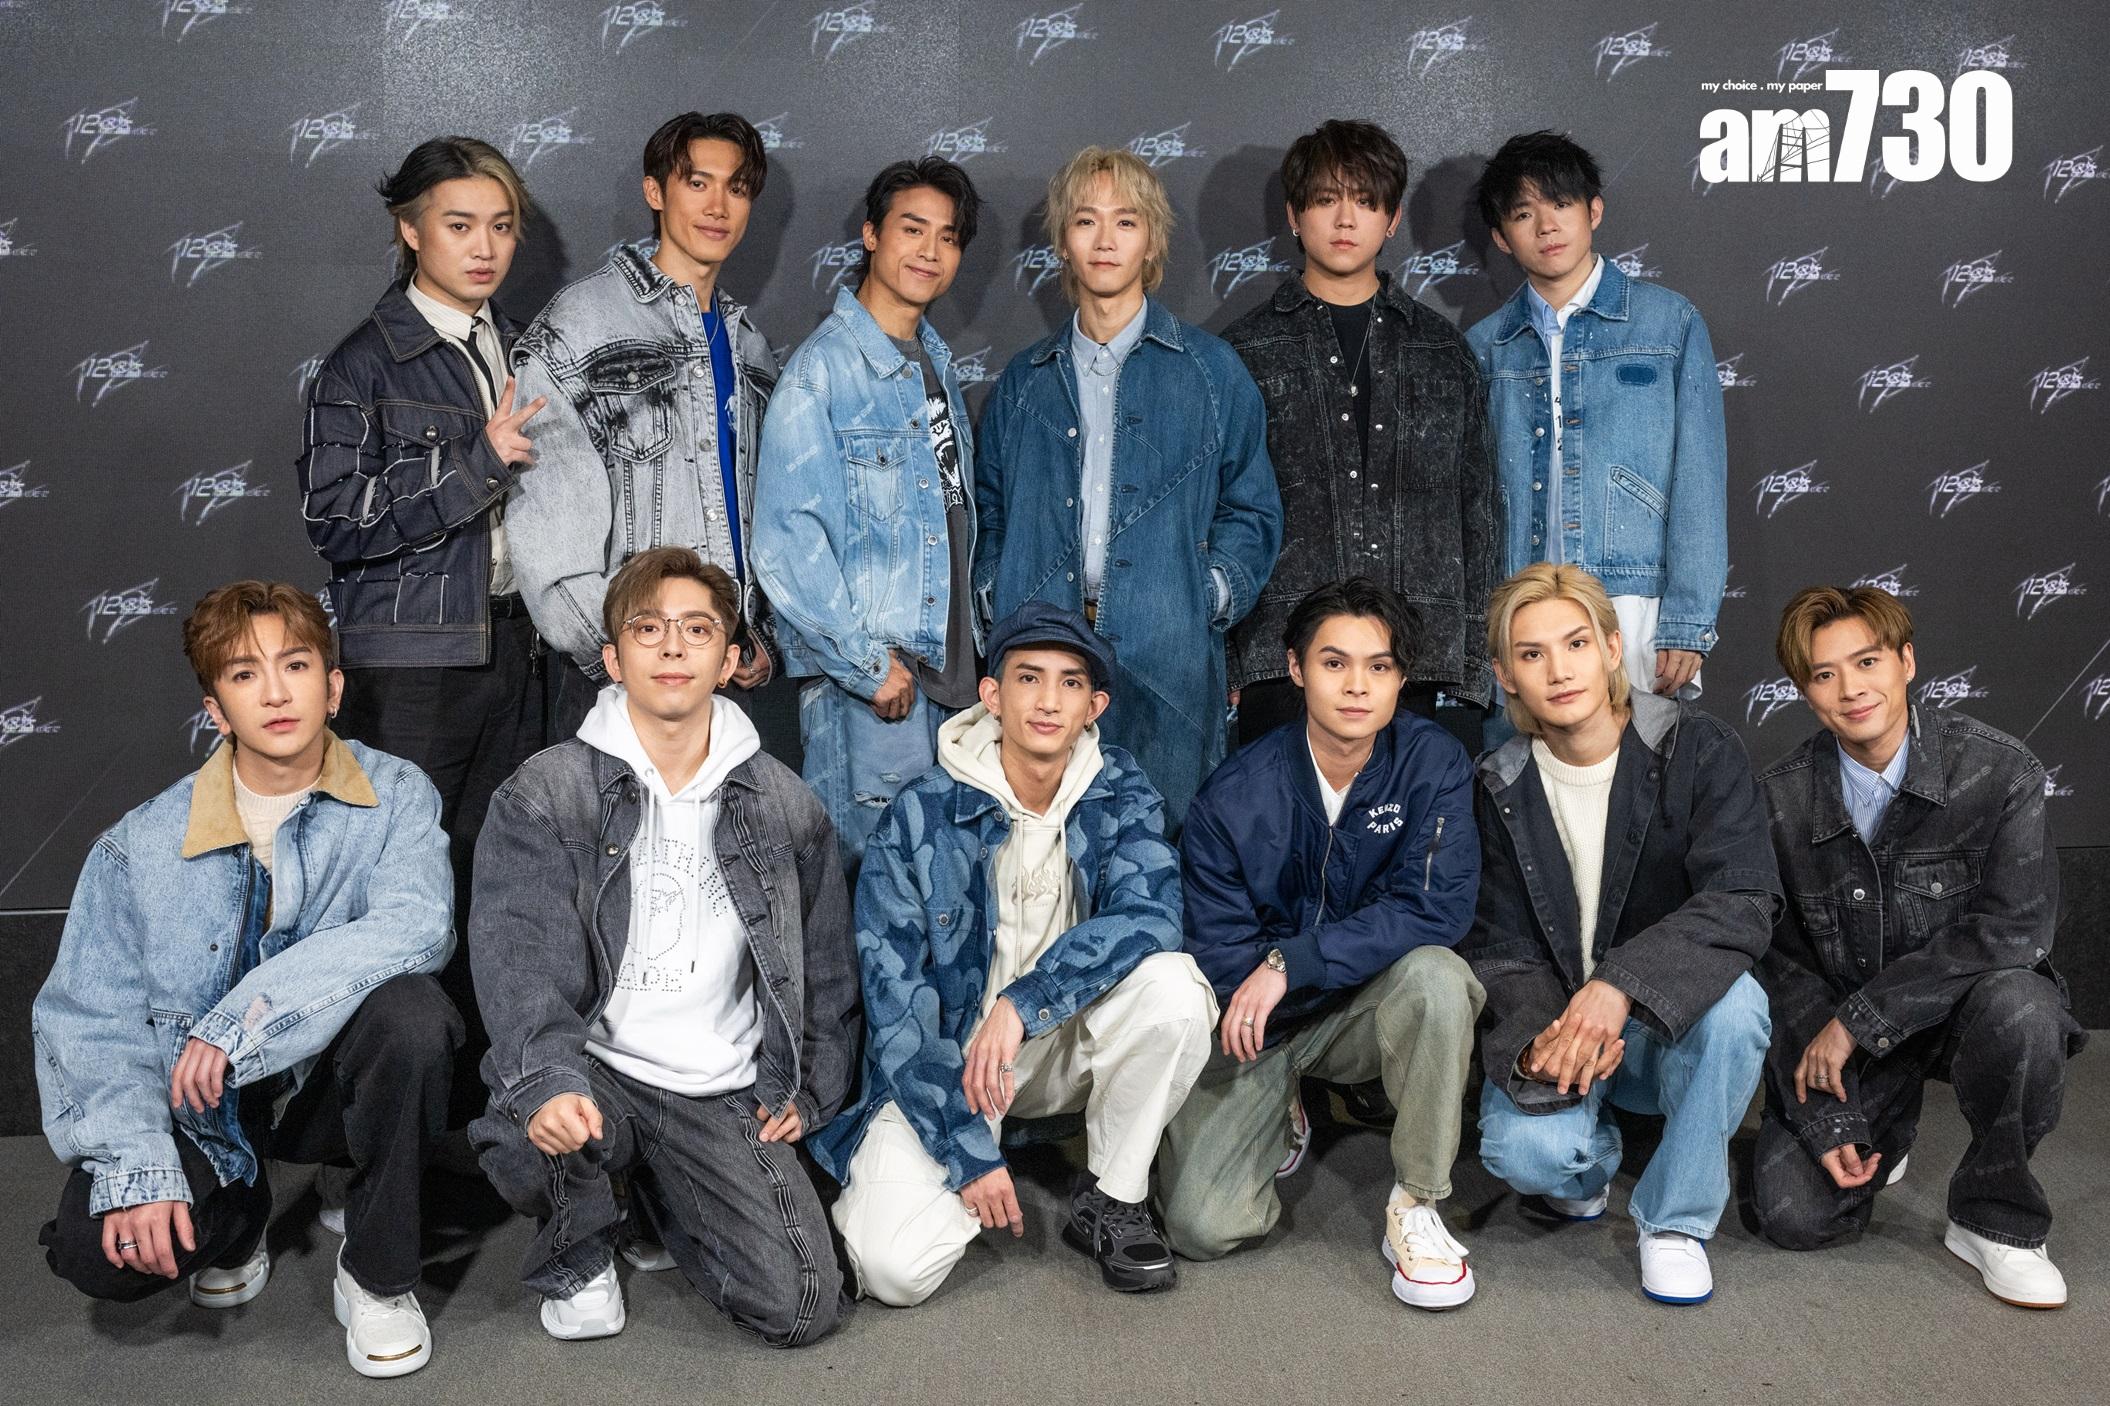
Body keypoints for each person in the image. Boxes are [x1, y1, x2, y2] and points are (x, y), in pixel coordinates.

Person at [34, 581, 459, 1378]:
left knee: (413, 1016)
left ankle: (377, 1274)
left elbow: (417, 926)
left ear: (333, 688)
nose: (274, 693)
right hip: (208, 1110)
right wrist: (140, 1167)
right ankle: (242, 1209)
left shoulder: (397, 794)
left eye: (295, 665)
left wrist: (241, 1025)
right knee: (98, 1251)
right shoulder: (138, 845)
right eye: (243, 674)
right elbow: (91, 1022)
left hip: (331, 1086)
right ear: (215, 710)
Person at [469, 548, 859, 1345]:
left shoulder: (786, 806)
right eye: (648, 628)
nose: (673, 646)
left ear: (730, 660)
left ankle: (652, 1191)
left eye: (698, 630)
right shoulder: (547, 792)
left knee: (802, 1309)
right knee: (520, 1121)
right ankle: (580, 1250)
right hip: (596, 1071)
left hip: (718, 1088)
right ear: (613, 660)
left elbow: (824, 964)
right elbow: (519, 961)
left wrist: (810, 1088)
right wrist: (547, 1082)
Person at [809, 603, 1217, 1305]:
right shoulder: (922, 813)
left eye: (1070, 683)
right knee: (891, 1270)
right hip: (958, 1058)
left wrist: (1024, 1004)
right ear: (992, 695)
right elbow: (897, 1006)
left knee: (1175, 990)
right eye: (1029, 678)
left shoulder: (1121, 793)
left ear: (1094, 707)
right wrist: (966, 1150)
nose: (1049, 701)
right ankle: (926, 1172)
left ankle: (1113, 1197)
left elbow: (1150, 917)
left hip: (1069, 1041)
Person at [295, 136, 551, 1101]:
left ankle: (475, 1120)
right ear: (410, 231)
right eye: (459, 225)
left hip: (517, 650)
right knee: (397, 889)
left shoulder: (525, 349)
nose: (484, 247)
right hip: (409, 667)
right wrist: (475, 466)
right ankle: (366, 1126)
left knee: (499, 886)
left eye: (501, 226)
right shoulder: (363, 362)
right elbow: (334, 520)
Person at [1750, 585, 2083, 1308]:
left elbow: (2014, 929)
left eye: (1866, 662)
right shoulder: (1778, 800)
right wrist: (1832, 1114)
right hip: (1846, 1037)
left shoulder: (2000, 772)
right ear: (1805, 692)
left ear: (1906, 661)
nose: (1851, 689)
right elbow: (1781, 963)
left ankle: (1996, 1218)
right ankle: (1885, 1129)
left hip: (1963, 1015)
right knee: (1794, 1216)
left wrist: (1861, 1018)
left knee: (2026, 1008)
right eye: (1824, 674)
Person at [1161, 578, 1485, 1310]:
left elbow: (1435, 909)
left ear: (1402, 677)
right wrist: (1272, 990)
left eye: (1379, 666)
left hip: (1366, 1006)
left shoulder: (1433, 763)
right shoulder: (1233, 795)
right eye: (1334, 663)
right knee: (1201, 1226)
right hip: (1264, 1026)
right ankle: (1283, 1106)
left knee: (1439, 978)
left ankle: (1417, 1201)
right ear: (1296, 668)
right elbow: (1219, 953)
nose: (1357, 686)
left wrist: (1294, 961)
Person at [1464, 564, 1777, 1305]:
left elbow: (1742, 899)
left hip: (1663, 1022)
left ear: (1611, 648)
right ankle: (1590, 1161)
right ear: (1506, 676)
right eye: (1532, 654)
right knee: (1524, 1156)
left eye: (1575, 643)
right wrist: (1538, 1041)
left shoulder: (1699, 748)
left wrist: (1620, 986)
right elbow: (1499, 945)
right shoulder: (1496, 782)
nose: (1558, 669)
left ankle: (1675, 1222)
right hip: (1562, 1027)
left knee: (1739, 1006)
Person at [974, 145, 1282, 828]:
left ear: (1152, 241)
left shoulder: (1211, 372)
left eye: (1126, 221)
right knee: (1037, 848)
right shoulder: (1025, 380)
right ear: (1063, 242)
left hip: (1166, 656)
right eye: (1086, 221)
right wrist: (999, 592)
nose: (1106, 239)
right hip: (1041, 649)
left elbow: (1252, 510)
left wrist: (1201, 596)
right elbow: (989, 508)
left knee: (1162, 846)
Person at [1224, 120, 1498, 754]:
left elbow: (1479, 513)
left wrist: (1475, 666)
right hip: (1281, 656)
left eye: (1366, 202)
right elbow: (1220, 515)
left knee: (1426, 821)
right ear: (1294, 215)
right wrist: (1230, 659)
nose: (1345, 219)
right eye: (1326, 200)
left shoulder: (1442, 350)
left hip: (1426, 661)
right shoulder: (1242, 352)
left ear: (1392, 218)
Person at [508, 112, 781, 729]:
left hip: (725, 679)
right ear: (655, 192)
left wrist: (756, 639)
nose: (718, 206)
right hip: (618, 686)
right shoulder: (580, 327)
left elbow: (763, 519)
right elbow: (548, 535)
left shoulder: (750, 347)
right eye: (697, 183)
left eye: (737, 188)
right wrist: (623, 660)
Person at [752, 157, 984, 870]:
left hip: (948, 688)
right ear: (872, 235)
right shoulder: (822, 371)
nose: (930, 251)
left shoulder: (934, 363)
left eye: (948, 237)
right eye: (913, 229)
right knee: (871, 895)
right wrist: (866, 664)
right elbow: (786, 543)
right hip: (874, 693)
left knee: (938, 898)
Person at [1466, 131, 1727, 705]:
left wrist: (1687, 619)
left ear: (1594, 211)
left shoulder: (1669, 324)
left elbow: (1700, 480)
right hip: (1522, 605)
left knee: (1640, 753)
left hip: (1635, 600)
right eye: (1523, 214)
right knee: (1534, 760)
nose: (1546, 227)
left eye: (1561, 204)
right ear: (1501, 237)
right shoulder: (1484, 346)